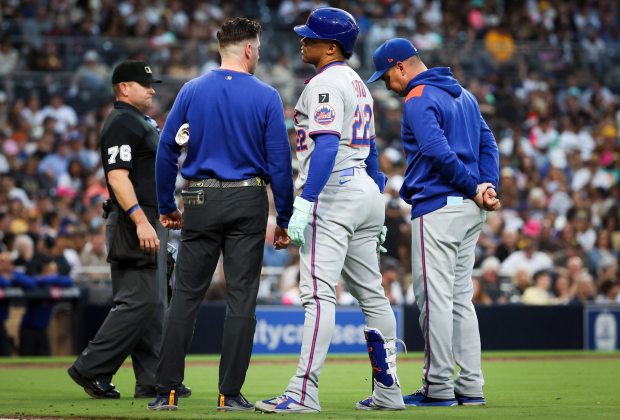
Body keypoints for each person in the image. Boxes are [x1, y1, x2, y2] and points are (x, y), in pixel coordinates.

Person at [255, 8, 405, 413]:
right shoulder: (358, 84)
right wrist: (373, 200)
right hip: (364, 187)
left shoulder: (325, 84)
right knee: (372, 296)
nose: (303, 41)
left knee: (318, 295)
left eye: (311, 37)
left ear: (332, 46)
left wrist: (305, 202)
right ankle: (389, 392)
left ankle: (303, 391)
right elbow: (371, 151)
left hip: (335, 188)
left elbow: (325, 148)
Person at [150, 18, 294, 411]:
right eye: (259, 48)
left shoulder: (192, 90)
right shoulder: (265, 95)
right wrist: (284, 216)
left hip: (199, 200)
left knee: (184, 297)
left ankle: (167, 392)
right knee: (242, 300)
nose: (259, 54)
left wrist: (166, 205)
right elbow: (279, 164)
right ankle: (229, 395)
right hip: (248, 201)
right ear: (249, 49)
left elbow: (167, 150)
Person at [367, 38, 501, 407]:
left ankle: (438, 385)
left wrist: (476, 187)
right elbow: (488, 143)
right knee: (460, 300)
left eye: (387, 77)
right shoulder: (464, 95)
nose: (388, 86)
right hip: (468, 209)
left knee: (434, 301)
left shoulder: (418, 96)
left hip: (439, 206)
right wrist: (487, 187)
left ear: (400, 68)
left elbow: (437, 150)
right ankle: (471, 385)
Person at [68, 60, 190, 400]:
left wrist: (171, 145)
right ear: (124, 87)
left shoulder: (139, 122)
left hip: (150, 216)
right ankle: (90, 368)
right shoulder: (122, 121)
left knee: (154, 304)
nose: (152, 89)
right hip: (133, 220)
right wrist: (140, 220)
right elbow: (117, 177)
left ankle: (153, 379)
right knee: (139, 301)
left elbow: (145, 169)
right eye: (144, 84)